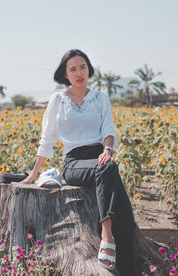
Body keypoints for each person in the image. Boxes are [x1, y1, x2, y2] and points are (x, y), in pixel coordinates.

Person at [21, 49, 139, 275]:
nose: (79, 73)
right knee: (108, 169)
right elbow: (47, 139)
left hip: (102, 159)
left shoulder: (100, 98)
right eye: (72, 69)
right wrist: (33, 173)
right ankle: (106, 236)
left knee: (126, 217)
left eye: (82, 67)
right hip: (75, 162)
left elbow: (108, 131)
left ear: (89, 69)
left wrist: (107, 149)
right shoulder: (58, 100)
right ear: (65, 74)